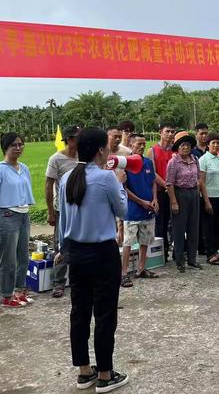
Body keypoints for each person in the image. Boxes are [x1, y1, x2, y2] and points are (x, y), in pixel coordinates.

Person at [57, 127, 129, 392]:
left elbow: (63, 218)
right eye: (107, 146)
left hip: (76, 253)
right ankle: (106, 375)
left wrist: (63, 249)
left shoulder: (67, 178)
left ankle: (84, 371)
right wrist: (120, 183)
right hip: (101, 253)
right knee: (105, 314)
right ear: (101, 150)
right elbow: (122, 209)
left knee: (80, 313)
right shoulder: (106, 178)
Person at [45, 125, 80, 298]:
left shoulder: (83, 156)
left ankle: (77, 279)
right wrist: (51, 212)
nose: (79, 140)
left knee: (80, 243)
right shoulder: (56, 159)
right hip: (63, 209)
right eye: (76, 137)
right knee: (61, 244)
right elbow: (48, 185)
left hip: (81, 208)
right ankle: (58, 283)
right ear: (69, 139)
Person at [0, 133, 35, 308]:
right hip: (8, 214)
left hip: (24, 213)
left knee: (23, 256)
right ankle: (6, 294)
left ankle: (19, 290)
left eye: (21, 144)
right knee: (9, 258)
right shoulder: (1, 169)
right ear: (5, 147)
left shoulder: (24, 168)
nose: (18, 148)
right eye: (14, 145)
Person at [120, 134, 159, 288]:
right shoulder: (126, 164)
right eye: (138, 144)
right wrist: (141, 202)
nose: (142, 147)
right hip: (132, 210)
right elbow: (124, 188)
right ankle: (123, 274)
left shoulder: (148, 163)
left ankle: (141, 269)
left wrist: (155, 198)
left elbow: (153, 182)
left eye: (144, 144)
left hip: (148, 209)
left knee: (145, 240)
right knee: (128, 243)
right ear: (130, 145)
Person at [166, 131, 202, 272]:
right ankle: (180, 261)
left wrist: (197, 194)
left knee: (194, 228)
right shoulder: (174, 162)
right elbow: (169, 183)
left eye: (188, 145)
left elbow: (198, 178)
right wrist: (174, 202)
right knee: (179, 229)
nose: (185, 147)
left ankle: (192, 259)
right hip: (179, 194)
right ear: (178, 147)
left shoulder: (195, 160)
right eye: (182, 145)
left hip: (193, 193)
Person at [146, 122, 175, 261]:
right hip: (160, 191)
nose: (170, 134)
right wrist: (166, 186)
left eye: (172, 132)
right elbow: (152, 173)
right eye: (167, 131)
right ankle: (161, 252)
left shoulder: (175, 151)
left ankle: (176, 250)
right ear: (160, 133)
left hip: (175, 192)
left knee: (175, 222)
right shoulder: (152, 150)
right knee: (161, 223)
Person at [199, 133, 219, 265]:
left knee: (217, 225)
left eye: (218, 142)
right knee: (208, 226)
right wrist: (206, 201)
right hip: (209, 197)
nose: (216, 145)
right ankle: (210, 253)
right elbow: (201, 182)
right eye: (213, 143)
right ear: (208, 145)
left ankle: (216, 251)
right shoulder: (203, 160)